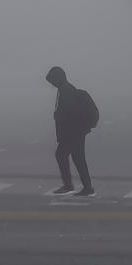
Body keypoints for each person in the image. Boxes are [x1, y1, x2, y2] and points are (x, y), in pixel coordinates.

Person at [46, 66, 96, 197]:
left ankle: (74, 186)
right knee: (76, 157)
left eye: (52, 80)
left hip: (72, 132)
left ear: (58, 78)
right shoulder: (65, 89)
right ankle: (84, 186)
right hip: (76, 131)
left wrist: (59, 116)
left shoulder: (65, 90)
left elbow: (69, 112)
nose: (52, 83)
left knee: (66, 156)